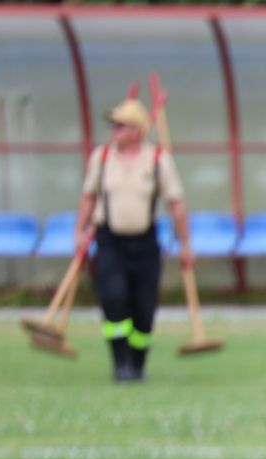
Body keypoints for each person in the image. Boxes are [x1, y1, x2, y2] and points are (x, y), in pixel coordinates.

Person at [73, 98, 194, 384]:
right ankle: (121, 363)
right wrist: (79, 231)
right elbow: (88, 196)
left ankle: (138, 362)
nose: (114, 131)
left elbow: (176, 203)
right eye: (113, 126)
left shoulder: (158, 159)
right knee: (113, 299)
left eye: (120, 126)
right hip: (110, 241)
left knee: (143, 307)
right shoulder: (101, 157)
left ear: (138, 130)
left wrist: (185, 243)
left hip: (145, 242)